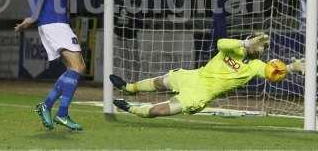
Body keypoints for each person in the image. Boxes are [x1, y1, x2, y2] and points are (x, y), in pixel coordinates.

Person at [110, 32, 305, 118]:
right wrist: (245, 44)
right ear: (248, 40)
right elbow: (221, 43)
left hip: (200, 94)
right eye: (258, 43)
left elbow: (272, 72)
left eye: (263, 47)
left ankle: (131, 109)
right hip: (194, 76)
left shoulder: (255, 66)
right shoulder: (234, 48)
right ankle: (129, 88)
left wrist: (290, 68)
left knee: (159, 111)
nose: (260, 48)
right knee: (160, 81)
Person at [15, 0, 85, 131]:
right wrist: (33, 16)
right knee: (77, 67)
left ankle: (47, 106)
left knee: (75, 67)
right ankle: (61, 113)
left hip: (54, 23)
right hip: (54, 23)